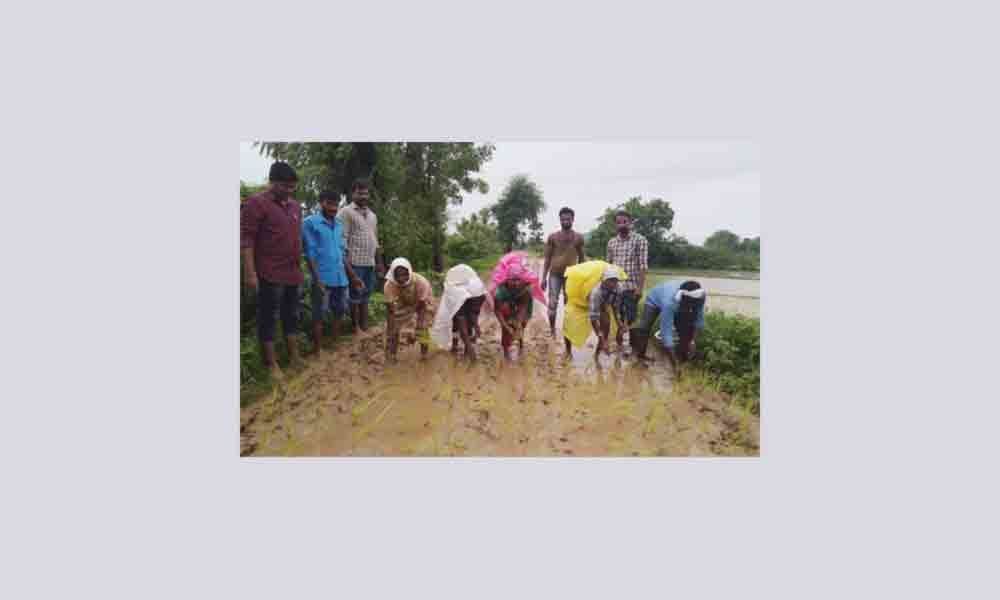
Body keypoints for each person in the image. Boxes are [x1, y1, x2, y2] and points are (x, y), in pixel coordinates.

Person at [240, 162, 304, 378]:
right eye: (285, 186)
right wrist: (250, 273)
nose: (289, 191)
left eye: (292, 187)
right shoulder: (256, 204)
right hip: (269, 273)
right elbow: (246, 240)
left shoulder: (295, 207)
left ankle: (294, 356)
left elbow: (296, 237)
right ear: (272, 182)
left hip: (292, 272)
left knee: (291, 314)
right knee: (269, 317)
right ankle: (271, 364)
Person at [301, 190, 364, 354]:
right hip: (322, 277)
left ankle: (335, 343)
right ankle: (318, 349)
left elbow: (341, 254)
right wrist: (317, 278)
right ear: (321, 203)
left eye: (336, 204)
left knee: (340, 310)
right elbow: (310, 253)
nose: (333, 208)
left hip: (340, 278)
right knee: (319, 314)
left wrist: (354, 277)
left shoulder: (338, 225)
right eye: (329, 204)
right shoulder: (310, 223)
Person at [339, 178, 386, 334]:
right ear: (353, 194)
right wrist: (347, 265)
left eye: (366, 193)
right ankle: (355, 328)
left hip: (369, 262)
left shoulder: (372, 215)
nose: (364, 196)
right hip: (354, 262)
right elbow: (343, 238)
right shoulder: (346, 212)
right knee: (355, 296)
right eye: (360, 193)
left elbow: (375, 240)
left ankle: (365, 326)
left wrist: (379, 263)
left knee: (366, 295)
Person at [631, 280, 707, 375]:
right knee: (644, 328)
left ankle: (682, 358)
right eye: (689, 304)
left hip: (675, 301)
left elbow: (698, 318)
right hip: (654, 300)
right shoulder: (670, 303)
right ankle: (640, 357)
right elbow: (666, 333)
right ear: (684, 299)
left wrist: (693, 341)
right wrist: (674, 365)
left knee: (686, 329)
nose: (691, 307)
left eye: (694, 304)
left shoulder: (701, 296)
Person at [561, 261, 627, 358]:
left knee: (606, 324)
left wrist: (620, 324)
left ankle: (597, 354)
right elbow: (593, 319)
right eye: (611, 280)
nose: (613, 283)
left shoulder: (618, 289)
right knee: (569, 323)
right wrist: (601, 338)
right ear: (603, 280)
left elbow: (615, 308)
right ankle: (568, 351)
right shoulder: (596, 293)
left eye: (615, 280)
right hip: (579, 301)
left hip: (602, 304)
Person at [487, 252, 547, 360]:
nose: (515, 283)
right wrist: (506, 326)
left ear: (522, 280)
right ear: (507, 280)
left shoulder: (526, 289)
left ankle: (520, 342)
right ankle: (506, 351)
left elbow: (523, 307)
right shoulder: (500, 292)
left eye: (518, 280)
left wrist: (518, 323)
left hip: (522, 302)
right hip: (505, 304)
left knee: (522, 324)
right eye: (512, 280)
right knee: (506, 327)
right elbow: (497, 311)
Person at [605, 209, 648, 348]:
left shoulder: (640, 240)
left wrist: (640, 288)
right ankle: (619, 348)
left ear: (631, 223)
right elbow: (608, 265)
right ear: (615, 225)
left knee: (631, 317)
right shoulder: (611, 242)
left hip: (631, 286)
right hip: (615, 287)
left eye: (625, 222)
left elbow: (643, 266)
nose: (622, 225)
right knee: (618, 316)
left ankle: (632, 347)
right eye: (618, 222)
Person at [541, 207, 585, 337]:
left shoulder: (579, 238)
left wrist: (584, 278)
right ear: (560, 220)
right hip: (554, 274)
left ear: (573, 220)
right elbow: (547, 258)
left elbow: (582, 258)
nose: (565, 221)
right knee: (552, 303)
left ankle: (567, 330)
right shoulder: (553, 237)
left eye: (568, 219)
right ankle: (553, 330)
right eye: (563, 219)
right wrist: (543, 278)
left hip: (571, 276)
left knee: (569, 304)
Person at [430, 264, 487, 361]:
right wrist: (471, 349)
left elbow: (474, 313)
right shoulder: (456, 295)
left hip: (468, 289)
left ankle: (466, 351)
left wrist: (476, 325)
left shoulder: (479, 293)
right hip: (455, 295)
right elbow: (462, 324)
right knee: (456, 324)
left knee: (469, 324)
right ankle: (455, 346)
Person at [383, 257, 434, 362]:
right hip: (404, 303)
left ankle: (424, 355)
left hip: (423, 303)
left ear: (409, 271)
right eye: (398, 275)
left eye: (404, 274)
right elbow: (391, 310)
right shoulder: (389, 285)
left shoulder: (421, 282)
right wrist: (391, 329)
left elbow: (422, 306)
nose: (402, 278)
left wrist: (417, 327)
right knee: (393, 330)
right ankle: (392, 355)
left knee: (422, 328)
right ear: (393, 275)